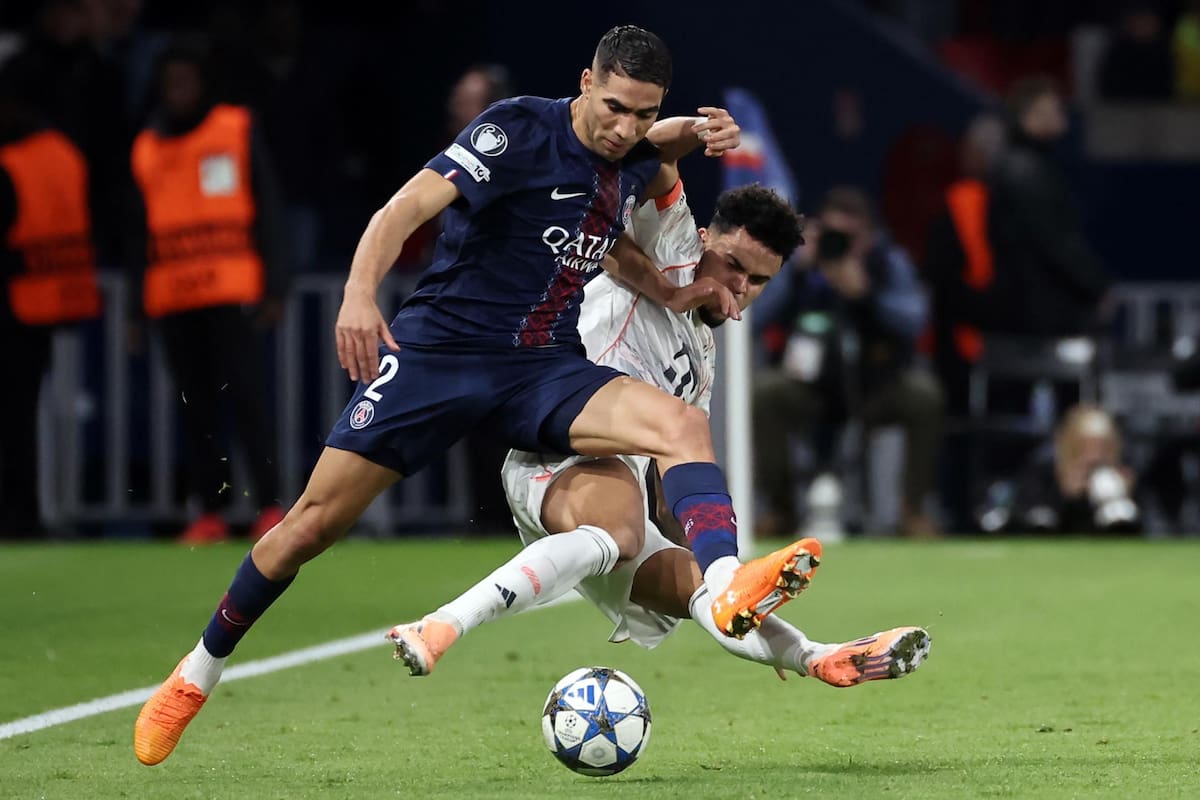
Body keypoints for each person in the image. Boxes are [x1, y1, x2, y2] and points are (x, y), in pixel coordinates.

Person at [134, 25, 816, 767]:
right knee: (309, 526)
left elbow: (635, 198)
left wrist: (678, 236)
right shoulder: (516, 130)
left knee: (680, 425)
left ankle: (725, 581)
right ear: (586, 82)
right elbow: (402, 210)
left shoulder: (633, 156)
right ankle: (196, 674)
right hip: (440, 355)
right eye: (615, 107)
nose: (625, 129)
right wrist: (359, 294)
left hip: (540, 365)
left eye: (643, 114)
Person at [388, 177, 932, 686]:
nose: (739, 287)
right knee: (634, 536)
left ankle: (817, 657)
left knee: (696, 587)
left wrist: (688, 545)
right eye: (732, 264)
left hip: (617, 486)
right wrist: (696, 129)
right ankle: (443, 624)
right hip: (557, 444)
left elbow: (674, 486)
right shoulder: (669, 251)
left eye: (758, 281)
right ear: (703, 239)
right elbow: (659, 161)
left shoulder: (702, 359)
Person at [127, 37, 288, 544]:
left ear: (202, 84)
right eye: (170, 83)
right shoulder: (146, 146)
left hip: (230, 291)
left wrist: (276, 284)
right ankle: (210, 511)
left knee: (248, 401)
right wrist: (133, 309)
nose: (178, 91)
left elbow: (268, 207)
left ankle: (269, 506)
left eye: (186, 81)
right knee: (196, 409)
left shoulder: (233, 127)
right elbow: (136, 233)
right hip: (174, 295)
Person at [754, 187, 944, 539]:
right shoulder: (799, 264)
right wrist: (793, 269)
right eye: (831, 235)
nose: (838, 245)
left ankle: (913, 512)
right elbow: (753, 317)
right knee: (765, 393)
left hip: (876, 386)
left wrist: (867, 296)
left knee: (924, 396)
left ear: (868, 236)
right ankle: (781, 512)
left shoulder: (887, 263)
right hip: (810, 387)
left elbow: (915, 320)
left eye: (848, 237)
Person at [0, 70, 101, 539]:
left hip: (14, 304)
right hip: (49, 300)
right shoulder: (62, 152)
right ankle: (24, 514)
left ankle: (17, 516)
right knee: (22, 418)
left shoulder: (11, 160)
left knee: (15, 421)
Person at [978, 405, 1140, 534]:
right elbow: (1031, 516)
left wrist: (1125, 494)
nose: (1095, 455)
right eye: (1086, 446)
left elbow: (1143, 522)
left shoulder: (1124, 465)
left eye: (1102, 447)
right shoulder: (1045, 464)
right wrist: (1065, 494)